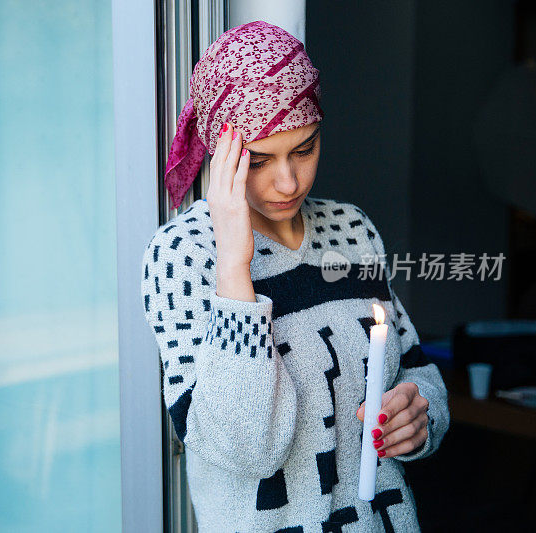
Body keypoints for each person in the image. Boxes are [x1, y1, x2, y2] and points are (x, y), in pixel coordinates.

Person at [140, 21, 449, 532]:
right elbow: (243, 448)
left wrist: (421, 414)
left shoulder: (352, 230)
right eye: (259, 160)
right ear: (220, 153)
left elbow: (414, 367)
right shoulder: (181, 257)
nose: (289, 182)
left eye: (304, 150)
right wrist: (235, 267)